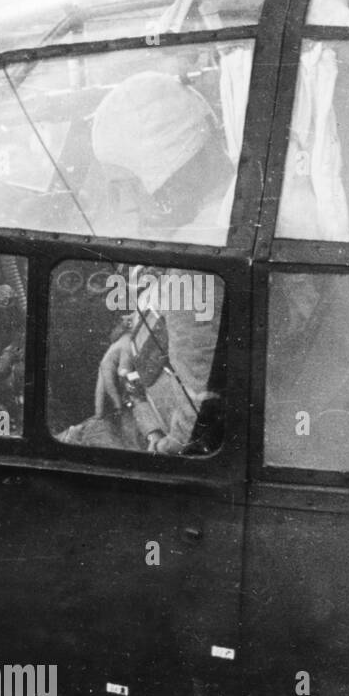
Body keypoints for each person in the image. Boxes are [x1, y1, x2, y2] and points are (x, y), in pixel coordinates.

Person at [55, 73, 229, 456]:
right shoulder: (213, 225)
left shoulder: (198, 264)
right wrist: (131, 344)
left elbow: (189, 434)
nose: (129, 202)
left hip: (159, 431)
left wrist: (156, 446)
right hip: (151, 402)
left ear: (170, 174)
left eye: (129, 183)